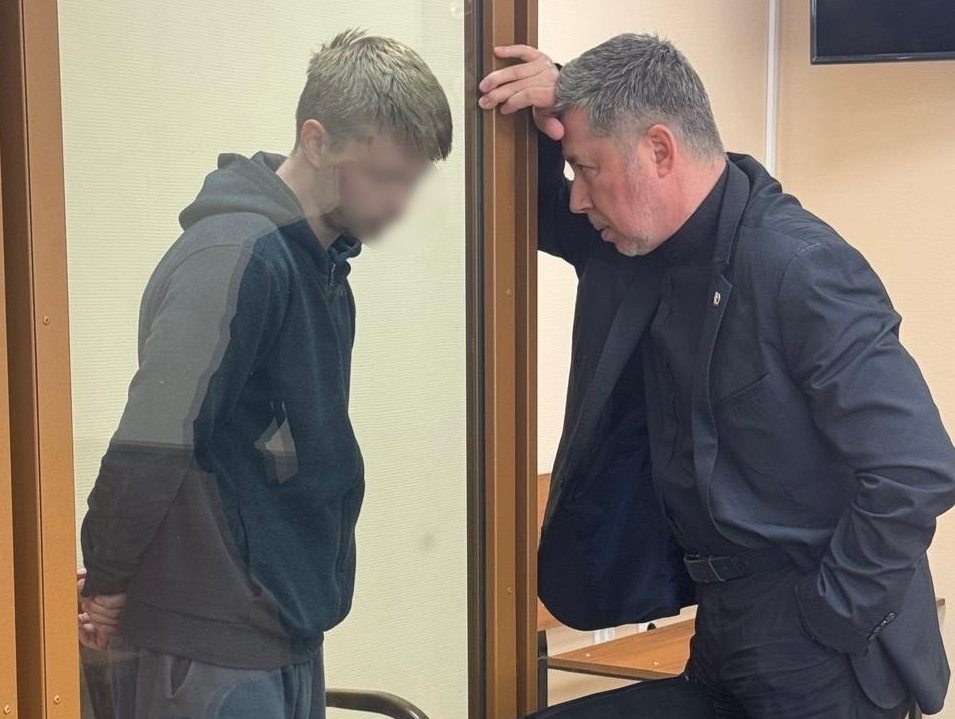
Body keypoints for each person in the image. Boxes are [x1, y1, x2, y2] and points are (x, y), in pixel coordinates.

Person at [480, 35, 955, 718]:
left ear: (659, 150)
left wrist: (831, 613)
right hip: (722, 626)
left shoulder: (798, 265)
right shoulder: (637, 245)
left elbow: (914, 468)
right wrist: (554, 97)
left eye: (587, 168)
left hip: (822, 646)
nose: (578, 197)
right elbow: (530, 204)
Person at [77, 29, 452, 719]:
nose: (401, 201)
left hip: (282, 626)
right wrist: (105, 579)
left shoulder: (319, 268)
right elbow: (152, 440)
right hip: (212, 640)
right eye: (385, 175)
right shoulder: (234, 256)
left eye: (412, 179)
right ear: (316, 141)